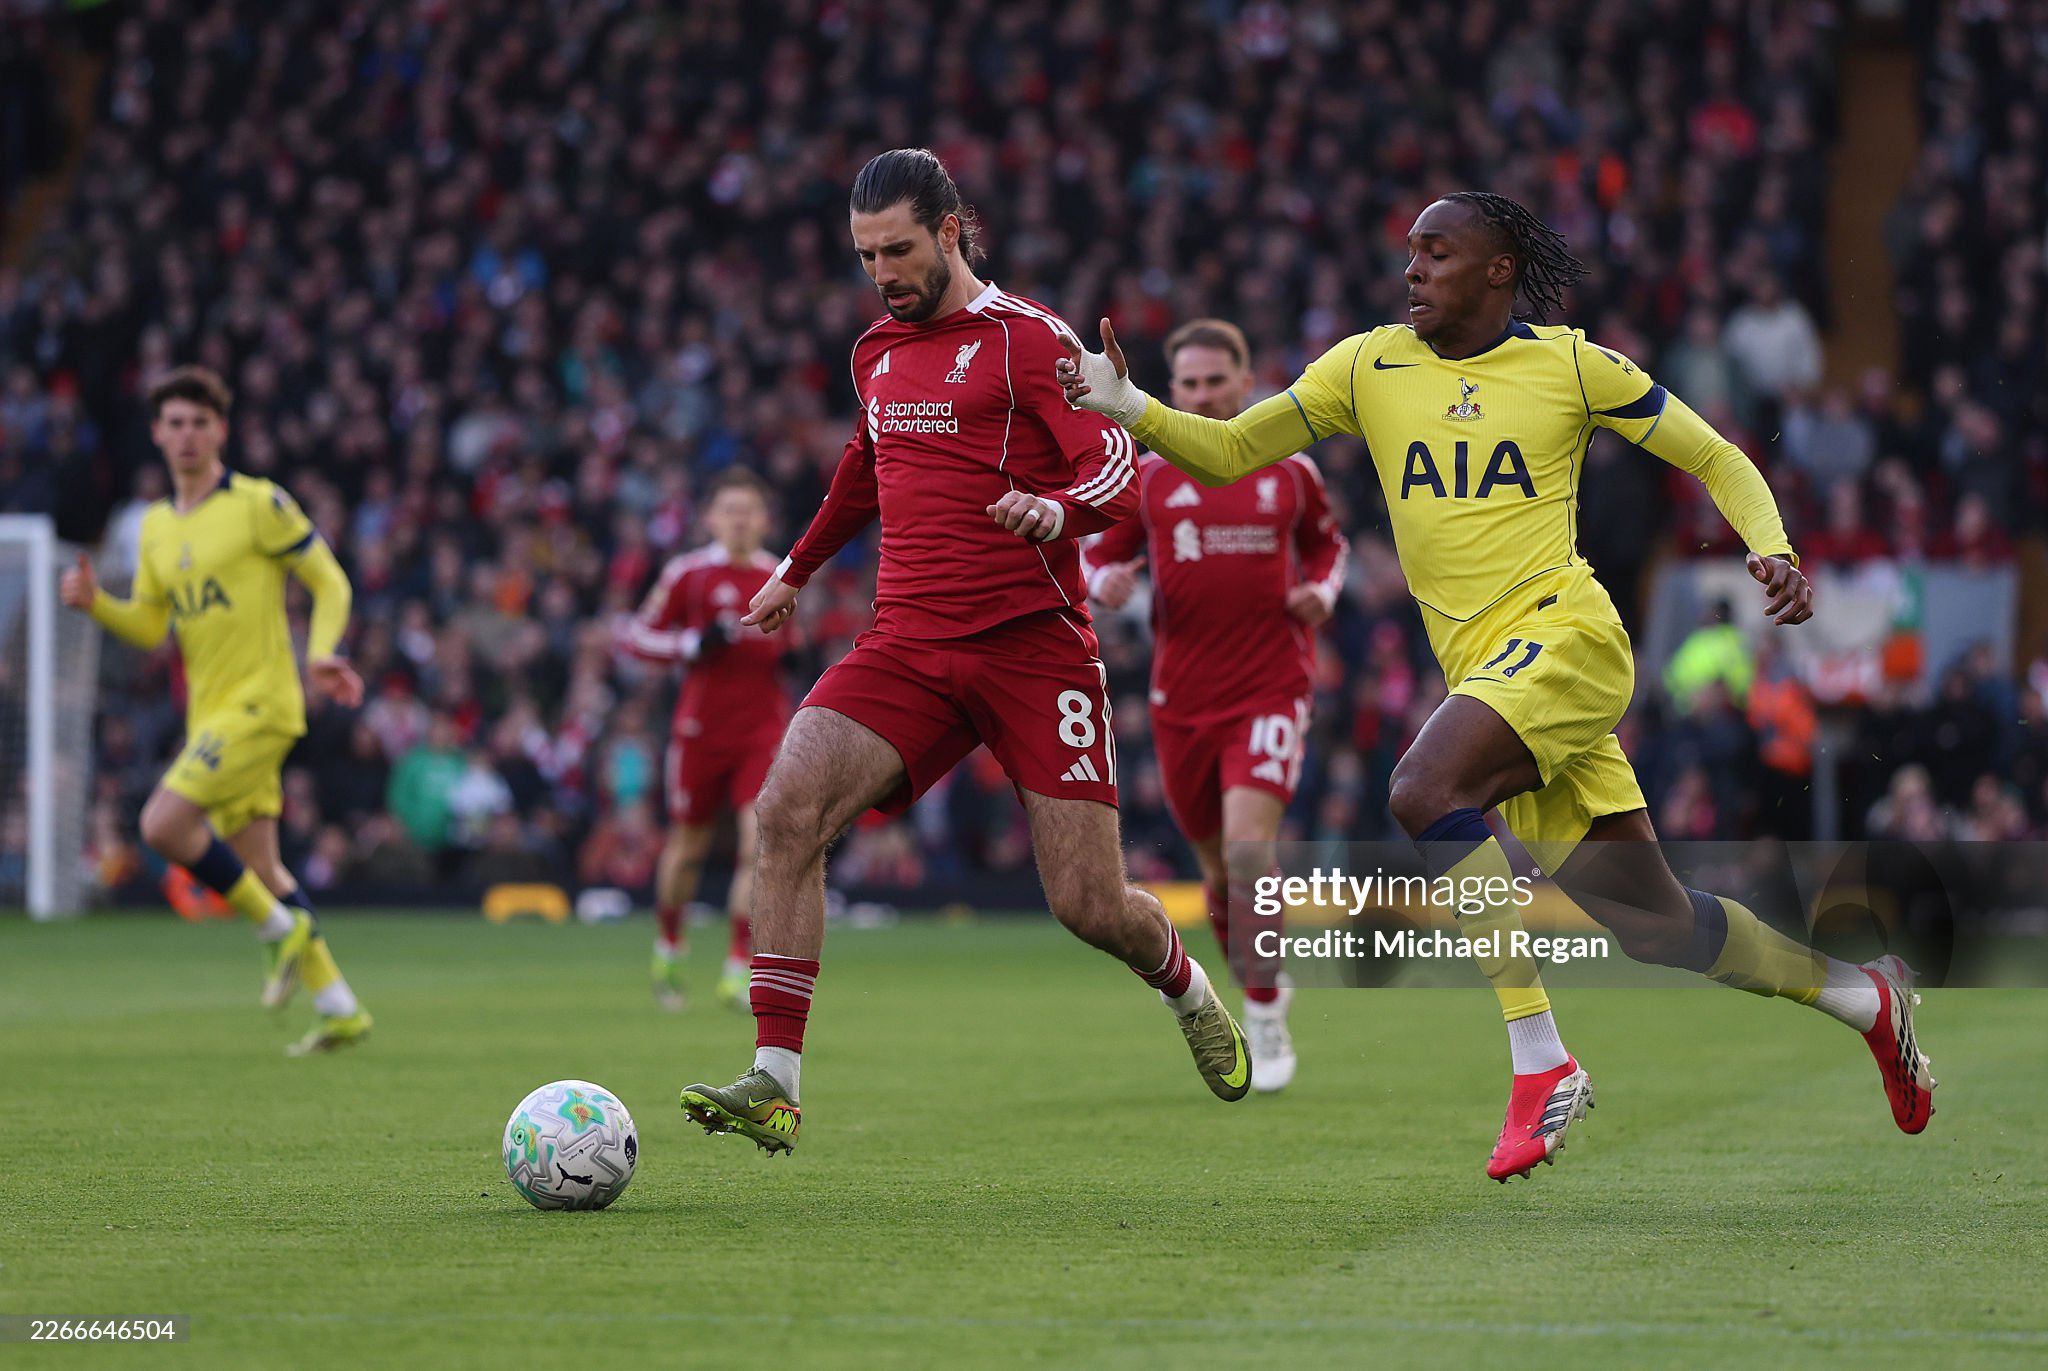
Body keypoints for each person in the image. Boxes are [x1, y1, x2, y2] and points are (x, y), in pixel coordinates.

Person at [1059, 191, 1934, 1181]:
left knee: (1421, 790)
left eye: (1436, 254)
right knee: (1656, 925)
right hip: (1493, 676)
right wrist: (1128, 407)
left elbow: (1714, 455)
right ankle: (1865, 998)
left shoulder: (1570, 364)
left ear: (1494, 270)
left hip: (1565, 639)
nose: (1412, 272)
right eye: (1408, 255)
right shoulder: (1365, 364)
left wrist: (1768, 548)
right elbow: (1224, 454)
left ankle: (1538, 1058)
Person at [676, 149, 1252, 1156]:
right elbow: (863, 468)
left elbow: (1116, 470)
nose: (881, 274)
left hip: (1034, 651)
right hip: (906, 642)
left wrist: (1053, 509)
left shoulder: (1028, 341)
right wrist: (797, 570)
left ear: (949, 231)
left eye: (897, 250)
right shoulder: (874, 354)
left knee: (1084, 906)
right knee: (785, 811)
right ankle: (774, 1078)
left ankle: (1185, 985)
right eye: (863, 256)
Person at [59, 366, 373, 1056]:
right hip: (211, 716)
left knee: (163, 822)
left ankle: (277, 930)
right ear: (156, 433)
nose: (187, 434)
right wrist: (96, 604)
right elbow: (150, 625)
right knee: (264, 872)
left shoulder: (260, 503)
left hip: (263, 703)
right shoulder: (155, 529)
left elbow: (329, 579)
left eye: (200, 421)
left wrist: (322, 651)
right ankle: (339, 1005)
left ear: (221, 430)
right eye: (174, 422)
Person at [1082, 318, 1349, 1093]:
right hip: (1181, 696)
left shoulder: (1290, 470)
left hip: (1270, 685)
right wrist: (1107, 583)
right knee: (1216, 873)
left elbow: (1328, 545)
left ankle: (1262, 1010)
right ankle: (1261, 984)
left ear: (1245, 380)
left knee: (1244, 851)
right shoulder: (1153, 471)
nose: (1200, 394)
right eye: (1187, 384)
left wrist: (1322, 591)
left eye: (1213, 381)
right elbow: (1099, 548)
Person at [621, 469, 791, 1011]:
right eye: (730, 510)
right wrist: (693, 643)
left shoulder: (784, 574)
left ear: (764, 520)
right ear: (712, 518)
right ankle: (669, 944)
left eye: (749, 510)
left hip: (760, 729)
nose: (740, 519)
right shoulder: (688, 574)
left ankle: (738, 966)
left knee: (757, 845)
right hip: (698, 730)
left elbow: (795, 641)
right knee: (688, 848)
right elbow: (637, 635)